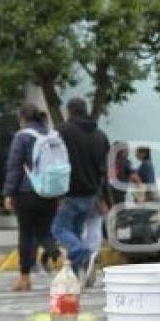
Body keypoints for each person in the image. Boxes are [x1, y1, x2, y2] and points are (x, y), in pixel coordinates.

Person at [2, 103, 60, 291]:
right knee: (44, 232)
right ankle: (66, 258)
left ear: (23, 119)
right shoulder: (52, 136)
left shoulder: (22, 137)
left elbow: (15, 166)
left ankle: (25, 278)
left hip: (27, 192)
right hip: (50, 192)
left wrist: (9, 193)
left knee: (26, 234)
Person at [51, 98, 110, 280]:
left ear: (69, 111)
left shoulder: (62, 132)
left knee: (58, 229)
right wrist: (104, 198)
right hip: (91, 194)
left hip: (69, 192)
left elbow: (54, 162)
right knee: (75, 232)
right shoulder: (100, 136)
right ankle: (76, 275)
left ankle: (83, 254)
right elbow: (104, 170)